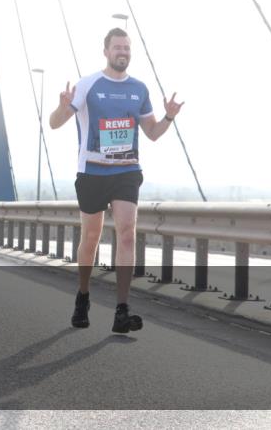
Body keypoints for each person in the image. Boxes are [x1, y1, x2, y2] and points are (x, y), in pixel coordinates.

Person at [49, 27, 183, 333]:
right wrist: (62, 105)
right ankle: (83, 296)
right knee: (91, 238)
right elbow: (55, 124)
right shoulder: (87, 85)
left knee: (126, 234)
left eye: (127, 48)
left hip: (125, 172)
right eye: (117, 47)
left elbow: (152, 133)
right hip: (92, 172)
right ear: (106, 51)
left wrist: (169, 117)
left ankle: (122, 310)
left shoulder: (139, 89)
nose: (123, 52)